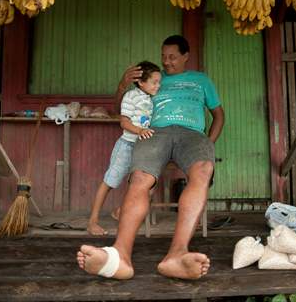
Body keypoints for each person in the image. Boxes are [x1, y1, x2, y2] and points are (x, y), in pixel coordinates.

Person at [77, 35, 225, 280]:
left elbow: (219, 115)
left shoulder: (201, 80)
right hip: (154, 133)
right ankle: (119, 256)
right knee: (140, 178)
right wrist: (123, 84)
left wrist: (208, 142)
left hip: (192, 135)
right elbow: (121, 108)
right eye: (163, 57)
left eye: (173, 57)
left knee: (203, 170)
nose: (166, 62)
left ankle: (177, 255)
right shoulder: (151, 79)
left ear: (186, 56)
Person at [87, 61, 162, 236]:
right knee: (110, 182)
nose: (158, 85)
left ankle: (120, 212)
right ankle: (92, 221)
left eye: (159, 82)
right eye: (154, 82)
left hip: (143, 148)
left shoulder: (150, 98)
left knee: (149, 184)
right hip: (127, 146)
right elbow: (124, 122)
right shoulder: (131, 96)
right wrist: (140, 130)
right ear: (141, 82)